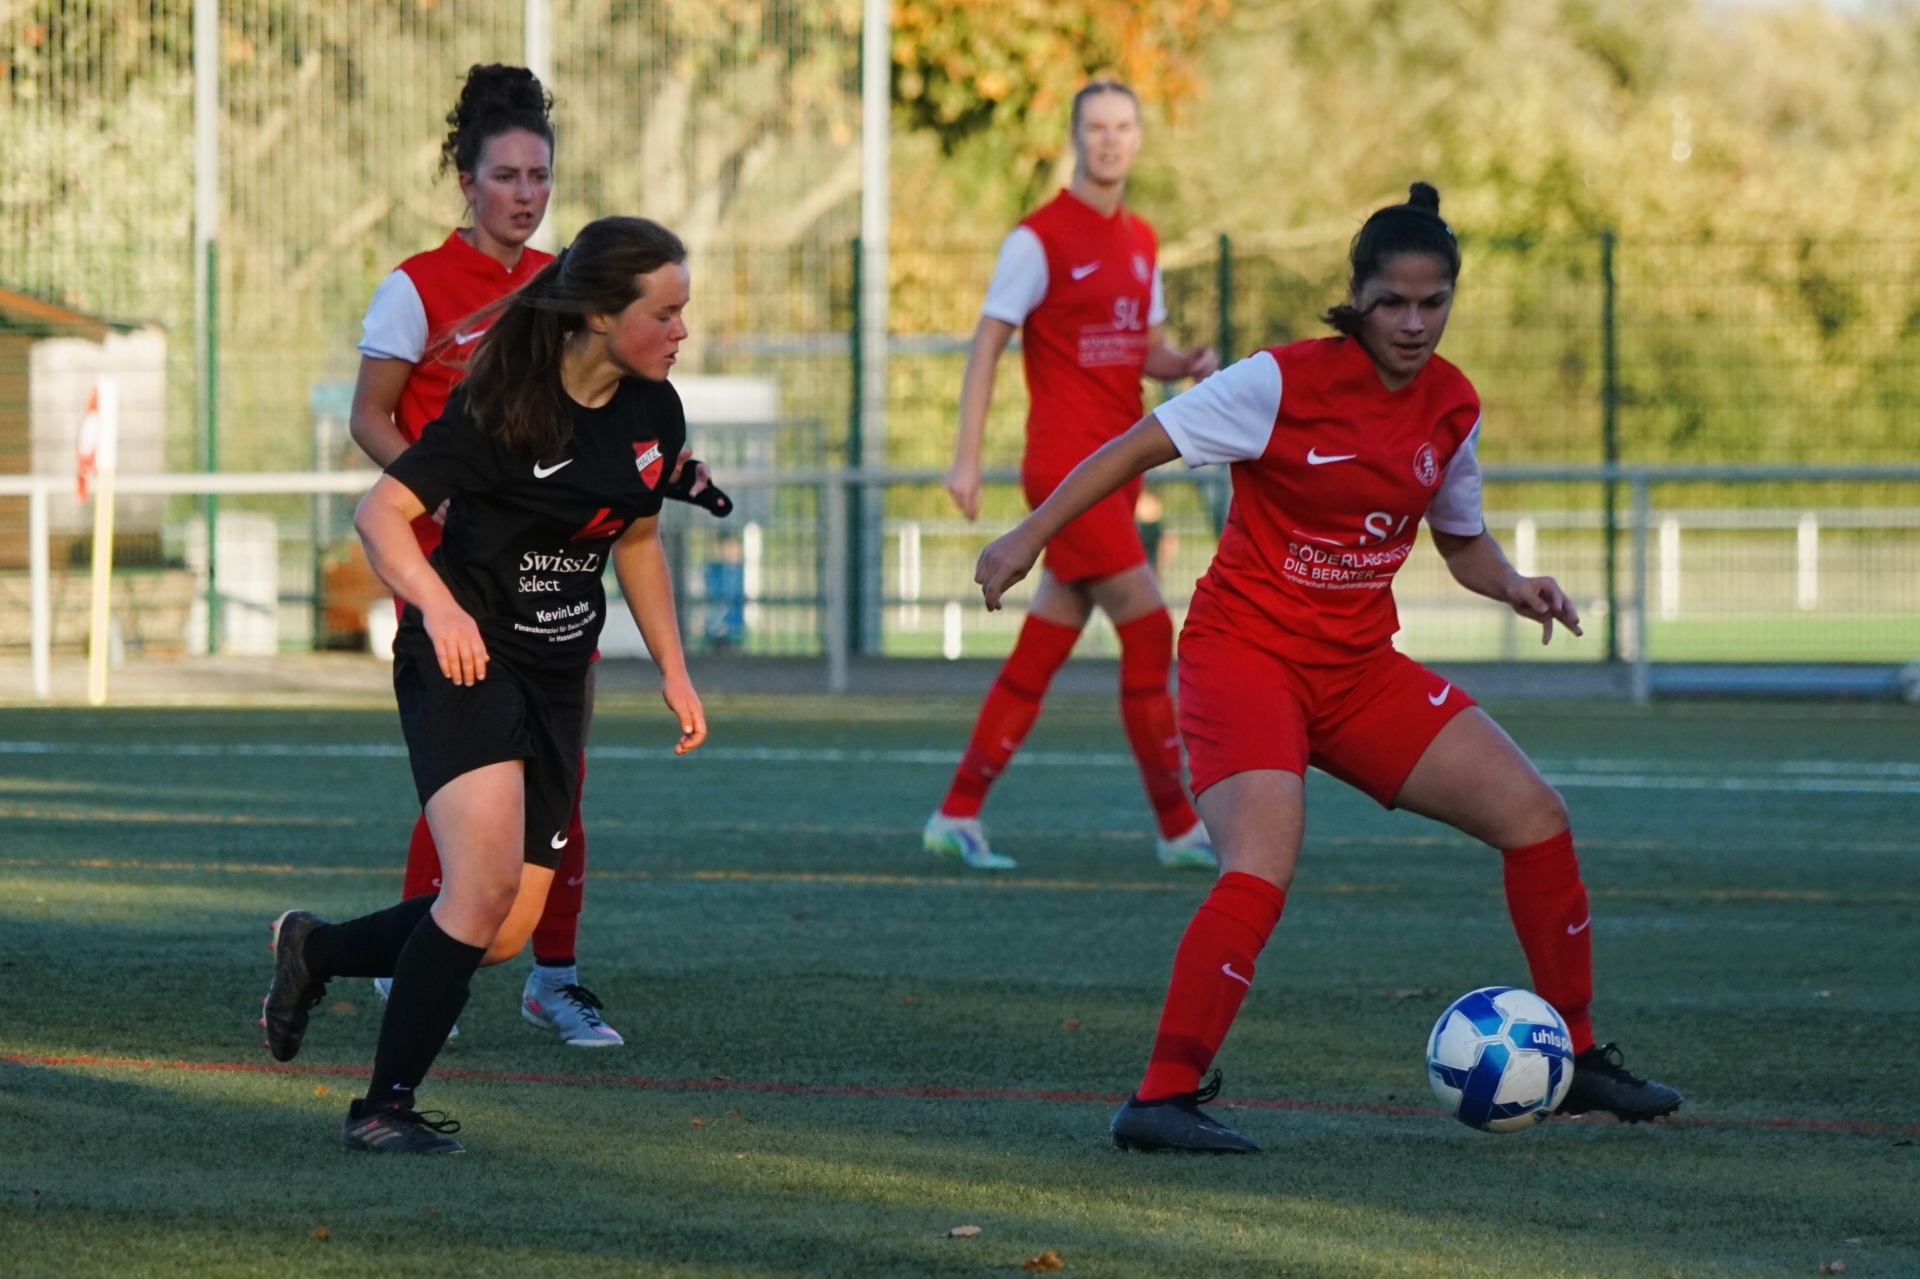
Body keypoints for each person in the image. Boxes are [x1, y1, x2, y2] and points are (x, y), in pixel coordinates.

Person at [974, 184, 1684, 1152]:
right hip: (1244, 655)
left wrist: (1514, 584)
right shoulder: (1278, 383)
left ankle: (1580, 1059)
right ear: (1357, 298)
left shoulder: (1452, 406)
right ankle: (1160, 1098)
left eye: (1432, 303)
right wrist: (1027, 534)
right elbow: (1138, 445)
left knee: (1536, 816)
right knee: (1262, 862)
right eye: (1393, 303)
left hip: (1356, 669)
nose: (1414, 323)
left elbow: (1459, 541)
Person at [264, 216, 708, 1153]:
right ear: (600, 314)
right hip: (464, 659)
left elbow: (636, 537)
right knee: (480, 887)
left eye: (683, 312)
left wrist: (673, 667)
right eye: (665, 313)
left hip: (557, 677)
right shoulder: (504, 407)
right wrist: (442, 609)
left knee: (503, 932)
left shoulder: (655, 412)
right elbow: (380, 514)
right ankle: (380, 1108)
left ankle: (318, 949)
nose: (681, 331)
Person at [350, 64, 619, 1047]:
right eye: (506, 175)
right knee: (470, 779)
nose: (525, 193)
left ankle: (556, 977)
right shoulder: (415, 287)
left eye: (539, 175)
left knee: (561, 772)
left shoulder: (565, 286)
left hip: (552, 582)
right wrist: (443, 489)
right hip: (448, 580)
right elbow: (370, 418)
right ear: (466, 182)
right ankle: (413, 962)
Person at [927, 80, 1221, 873]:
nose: (1110, 140)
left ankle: (957, 812)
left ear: (1139, 138)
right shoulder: (1038, 239)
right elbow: (988, 344)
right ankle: (1179, 826)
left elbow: (1145, 351)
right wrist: (965, 455)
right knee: (1150, 628)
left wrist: (1186, 363)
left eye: (1123, 126)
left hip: (1120, 469)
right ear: (1075, 136)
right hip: (1066, 468)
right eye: (1096, 127)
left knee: (1043, 646)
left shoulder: (1143, 240)